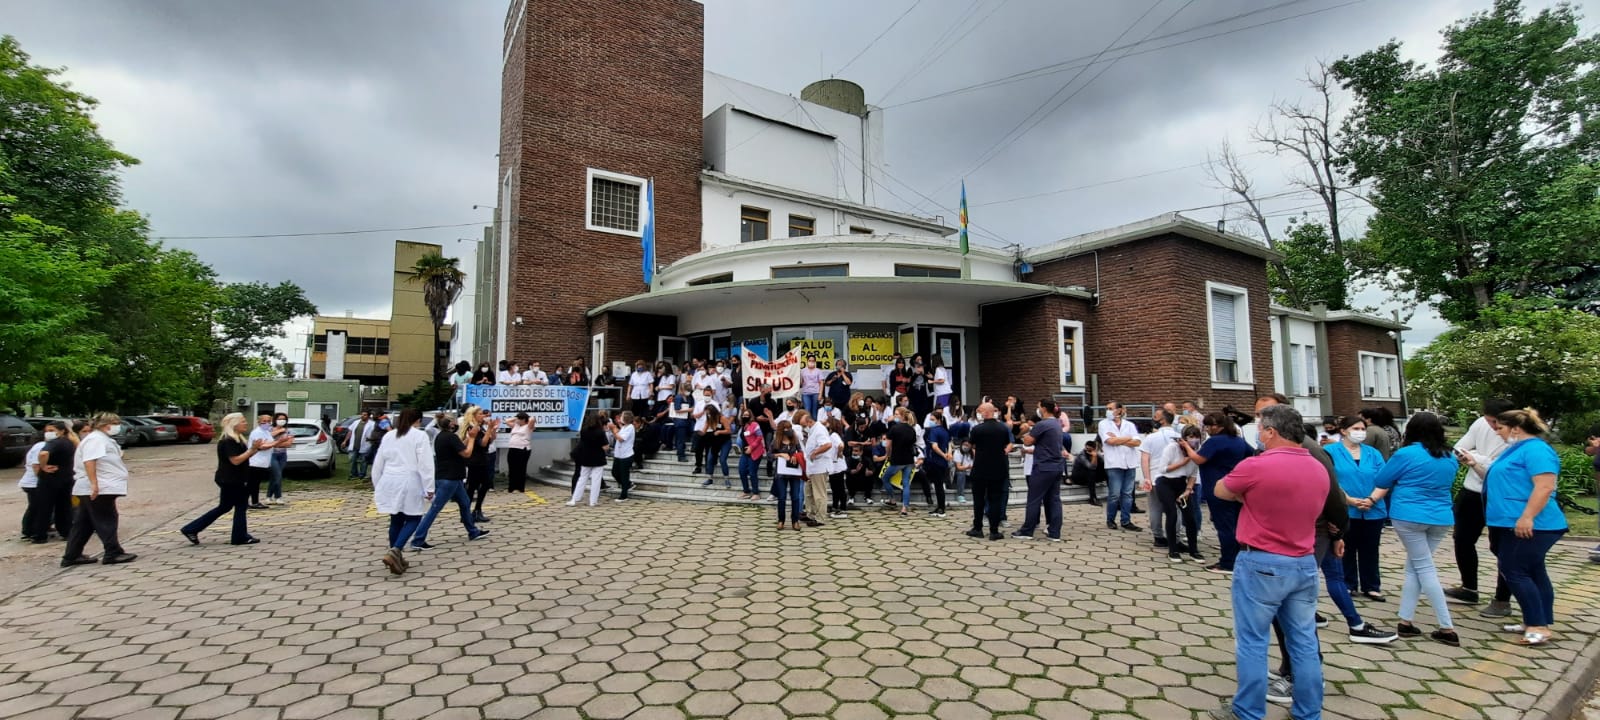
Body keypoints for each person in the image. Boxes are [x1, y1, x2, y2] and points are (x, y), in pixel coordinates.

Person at [1208, 404, 1325, 720]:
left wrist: (1247, 497)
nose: (1257, 434)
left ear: (1272, 432)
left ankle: (1247, 711)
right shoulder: (1318, 467)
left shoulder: (1257, 465)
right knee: (1303, 642)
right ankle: (1309, 711)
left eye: (1260, 428)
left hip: (1261, 563)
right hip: (1303, 562)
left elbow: (1220, 490)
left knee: (1252, 641)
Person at [1463, 408, 1566, 646]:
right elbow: (1496, 477)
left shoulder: (1537, 450)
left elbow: (1544, 486)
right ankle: (1535, 620)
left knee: (1514, 570)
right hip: (1509, 521)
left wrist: (1527, 517)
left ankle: (1538, 626)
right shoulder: (1517, 449)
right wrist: (1473, 464)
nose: (1497, 433)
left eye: (1500, 428)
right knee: (1533, 571)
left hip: (1531, 524)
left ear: (1516, 428)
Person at [1367, 412, 1460, 646]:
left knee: (1423, 568)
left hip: (1408, 515)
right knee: (1415, 566)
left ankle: (1447, 627)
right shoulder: (1449, 455)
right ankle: (1405, 621)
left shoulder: (1406, 454)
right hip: (1441, 516)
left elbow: (1381, 479)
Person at [1445, 398, 1516, 610]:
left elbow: (1499, 471)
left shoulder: (1516, 436)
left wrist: (1477, 460)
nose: (1493, 428)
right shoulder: (1480, 424)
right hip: (1472, 491)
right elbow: (1459, 449)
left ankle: (1502, 598)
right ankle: (1469, 588)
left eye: (1496, 423)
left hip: (1500, 495)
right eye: (1489, 421)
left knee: (1500, 546)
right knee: (1462, 539)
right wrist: (1480, 460)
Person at [1176, 412, 1252, 575]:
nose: (1208, 429)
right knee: (1236, 524)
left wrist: (1186, 446)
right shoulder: (1239, 441)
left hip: (1217, 487)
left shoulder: (1214, 442)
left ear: (1222, 427)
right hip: (1236, 486)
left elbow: (1198, 459)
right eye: (1207, 425)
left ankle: (1227, 562)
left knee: (1224, 526)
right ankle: (1240, 558)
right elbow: (1251, 455)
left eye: (1212, 426)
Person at [61, 413, 137, 567]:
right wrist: (94, 484)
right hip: (100, 487)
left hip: (97, 486)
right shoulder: (96, 439)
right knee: (106, 519)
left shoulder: (100, 439)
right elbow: (90, 461)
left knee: (84, 523)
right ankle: (113, 552)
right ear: (106, 424)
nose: (118, 426)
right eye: (115, 423)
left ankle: (72, 555)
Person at [181, 413, 267, 546]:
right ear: (234, 424)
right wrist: (252, 450)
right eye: (243, 421)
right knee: (240, 506)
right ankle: (239, 537)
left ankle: (191, 529)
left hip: (233, 478)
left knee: (225, 507)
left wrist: (255, 449)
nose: (246, 423)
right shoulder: (228, 441)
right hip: (231, 479)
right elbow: (236, 461)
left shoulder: (237, 439)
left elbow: (243, 457)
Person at [1328, 414, 1388, 602]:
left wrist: (1371, 499)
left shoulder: (1372, 453)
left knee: (1370, 548)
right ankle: (1348, 583)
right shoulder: (1331, 451)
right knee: (1346, 547)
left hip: (1373, 508)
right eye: (1356, 429)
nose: (1360, 432)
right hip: (1345, 509)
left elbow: (1384, 479)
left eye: (1363, 429)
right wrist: (1350, 501)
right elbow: (1330, 480)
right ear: (1343, 431)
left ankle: (1371, 585)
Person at [411, 413, 489, 550]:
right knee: (435, 509)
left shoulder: (441, 437)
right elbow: (466, 453)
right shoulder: (450, 437)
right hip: (449, 479)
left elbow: (460, 447)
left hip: (452, 478)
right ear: (451, 425)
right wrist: (471, 438)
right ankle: (418, 539)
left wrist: (468, 437)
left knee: (465, 503)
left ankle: (473, 531)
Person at [371, 408, 433, 575]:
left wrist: (378, 484)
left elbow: (378, 462)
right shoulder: (419, 436)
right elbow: (425, 464)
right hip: (409, 480)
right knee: (414, 517)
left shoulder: (389, 435)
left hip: (389, 480)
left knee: (396, 519)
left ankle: (396, 556)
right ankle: (396, 550)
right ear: (418, 420)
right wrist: (430, 487)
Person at [1154, 425, 1205, 562]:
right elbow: (1163, 469)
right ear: (1183, 439)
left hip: (1182, 483)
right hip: (1166, 482)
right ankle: (1173, 550)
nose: (1194, 440)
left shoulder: (1197, 451)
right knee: (1172, 514)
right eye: (1190, 437)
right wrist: (1183, 462)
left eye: (1196, 437)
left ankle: (1194, 550)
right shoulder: (1172, 448)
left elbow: (1193, 474)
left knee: (1190, 516)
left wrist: (1188, 490)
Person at [965, 403, 1012, 541]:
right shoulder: (1002, 428)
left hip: (980, 468)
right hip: (998, 468)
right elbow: (1006, 444)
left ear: (985, 413)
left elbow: (971, 444)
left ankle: (977, 528)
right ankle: (994, 531)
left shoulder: (977, 429)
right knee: (995, 499)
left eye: (980, 411)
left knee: (978, 499)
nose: (979, 413)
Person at [28, 420, 76, 544]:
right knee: (64, 507)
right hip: (66, 477)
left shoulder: (55, 443)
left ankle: (40, 534)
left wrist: (42, 466)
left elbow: (43, 454)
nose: (48, 434)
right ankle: (66, 531)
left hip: (50, 478)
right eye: (47, 431)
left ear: (61, 431)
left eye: (51, 431)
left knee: (44, 507)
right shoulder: (69, 443)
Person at [1098, 402, 1142, 531]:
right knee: (1114, 494)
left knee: (1127, 494)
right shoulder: (1103, 424)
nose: (1108, 411)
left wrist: (1119, 438)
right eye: (1107, 409)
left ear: (1119, 410)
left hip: (1130, 463)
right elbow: (1110, 441)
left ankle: (1126, 520)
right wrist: (1128, 438)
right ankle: (1110, 519)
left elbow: (1137, 442)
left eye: (1111, 409)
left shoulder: (1129, 425)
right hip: (1114, 463)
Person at [1140, 409, 1180, 549]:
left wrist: (1146, 478)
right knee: (1176, 508)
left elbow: (1145, 459)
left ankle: (1158, 536)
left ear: (1162, 420)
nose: (1153, 419)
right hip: (1176, 478)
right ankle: (1175, 536)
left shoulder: (1151, 438)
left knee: (1155, 507)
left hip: (1156, 477)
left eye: (1155, 417)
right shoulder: (1179, 436)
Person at [460, 407, 499, 522]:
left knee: (483, 484)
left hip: (482, 459)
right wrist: (489, 430)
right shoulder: (472, 428)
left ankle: (475, 510)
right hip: (475, 460)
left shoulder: (480, 427)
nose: (483, 416)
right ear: (474, 416)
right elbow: (482, 443)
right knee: (473, 487)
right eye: (481, 414)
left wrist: (492, 429)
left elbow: (490, 440)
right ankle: (469, 513)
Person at [569, 411, 610, 506]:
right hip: (598, 458)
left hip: (586, 457)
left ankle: (575, 499)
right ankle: (593, 501)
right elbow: (606, 446)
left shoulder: (584, 430)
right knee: (596, 480)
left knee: (582, 478)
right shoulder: (600, 432)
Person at [883, 409, 918, 517]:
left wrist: (887, 456)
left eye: (896, 414)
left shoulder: (894, 428)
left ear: (902, 416)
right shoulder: (912, 430)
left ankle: (892, 499)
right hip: (909, 460)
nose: (895, 416)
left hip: (897, 460)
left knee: (885, 478)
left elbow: (888, 445)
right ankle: (904, 508)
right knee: (906, 483)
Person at [771, 420, 806, 530]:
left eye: (790, 428)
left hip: (794, 473)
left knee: (795, 497)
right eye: (786, 428)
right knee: (782, 497)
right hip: (781, 473)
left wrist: (797, 456)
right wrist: (780, 454)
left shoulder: (795, 440)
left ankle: (795, 521)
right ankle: (781, 520)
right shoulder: (776, 441)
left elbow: (801, 452)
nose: (788, 431)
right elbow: (769, 455)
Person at [800, 411, 833, 525]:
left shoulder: (819, 430)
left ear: (809, 422)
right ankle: (811, 514)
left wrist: (815, 452)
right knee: (808, 492)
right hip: (812, 467)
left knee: (819, 494)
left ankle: (820, 518)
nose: (804, 428)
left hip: (820, 467)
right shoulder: (813, 430)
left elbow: (828, 445)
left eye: (804, 425)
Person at [922, 410, 952, 519]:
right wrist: (948, 454)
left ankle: (941, 508)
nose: (930, 422)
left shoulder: (933, 431)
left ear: (938, 420)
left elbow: (934, 447)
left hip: (935, 461)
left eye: (932, 420)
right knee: (939, 485)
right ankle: (939, 506)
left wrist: (944, 455)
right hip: (942, 462)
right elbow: (949, 444)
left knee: (938, 486)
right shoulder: (945, 431)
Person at [246, 414, 276, 509]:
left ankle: (255, 501)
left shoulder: (266, 432)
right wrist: (277, 443)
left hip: (263, 462)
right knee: (251, 484)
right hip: (255, 462)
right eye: (264, 421)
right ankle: (243, 502)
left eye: (268, 421)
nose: (266, 423)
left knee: (255, 484)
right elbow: (260, 446)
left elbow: (270, 442)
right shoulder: (257, 432)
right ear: (259, 422)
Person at [701, 405, 733, 488]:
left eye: (709, 413)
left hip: (725, 441)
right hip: (715, 442)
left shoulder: (722, 418)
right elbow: (704, 430)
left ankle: (726, 479)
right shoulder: (709, 419)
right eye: (707, 413)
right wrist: (699, 433)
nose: (708, 415)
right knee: (710, 459)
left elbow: (729, 430)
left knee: (722, 460)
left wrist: (719, 432)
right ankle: (709, 478)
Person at [609, 411, 636, 502]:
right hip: (618, 454)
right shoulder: (624, 427)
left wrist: (613, 430)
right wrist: (617, 426)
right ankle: (628, 484)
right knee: (614, 472)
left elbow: (621, 438)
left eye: (621, 417)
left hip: (626, 455)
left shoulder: (630, 427)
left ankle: (624, 495)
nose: (620, 418)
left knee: (624, 475)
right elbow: (620, 432)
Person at [1071, 440, 1105, 506]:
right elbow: (1091, 467)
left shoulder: (1095, 452)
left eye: (1090, 449)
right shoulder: (1082, 455)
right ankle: (1093, 498)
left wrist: (1097, 454)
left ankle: (1115, 495)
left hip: (1089, 477)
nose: (1088, 450)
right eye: (1087, 448)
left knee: (1105, 467)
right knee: (1091, 471)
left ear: (1094, 449)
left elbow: (1104, 462)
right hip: (1078, 478)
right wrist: (1094, 456)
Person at [506, 413, 533, 493]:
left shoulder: (528, 426)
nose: (517, 420)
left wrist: (524, 417)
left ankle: (519, 488)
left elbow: (532, 419)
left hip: (522, 449)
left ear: (523, 419)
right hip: (512, 449)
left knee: (520, 469)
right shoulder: (515, 426)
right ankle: (511, 487)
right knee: (512, 468)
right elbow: (507, 421)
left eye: (519, 419)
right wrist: (516, 418)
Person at [345, 411, 375, 480]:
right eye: (362, 414)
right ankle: (354, 474)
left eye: (365, 415)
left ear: (368, 416)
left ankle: (362, 474)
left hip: (365, 445)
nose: (362, 416)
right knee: (352, 460)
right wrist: (345, 441)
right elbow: (350, 432)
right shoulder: (356, 422)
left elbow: (374, 433)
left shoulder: (372, 424)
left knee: (363, 461)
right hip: (354, 445)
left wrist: (371, 439)